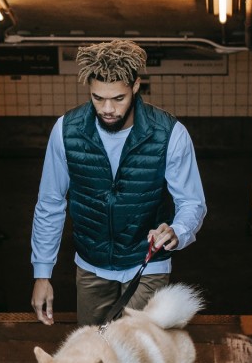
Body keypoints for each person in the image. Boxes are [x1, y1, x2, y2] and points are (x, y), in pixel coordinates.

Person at [30, 39, 207, 326]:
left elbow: (191, 202)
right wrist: (42, 275)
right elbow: (50, 203)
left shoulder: (169, 134)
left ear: (136, 86)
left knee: (139, 354)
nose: (107, 108)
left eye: (118, 98)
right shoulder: (66, 131)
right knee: (94, 354)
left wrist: (178, 230)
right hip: (90, 265)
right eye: (98, 98)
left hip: (148, 264)